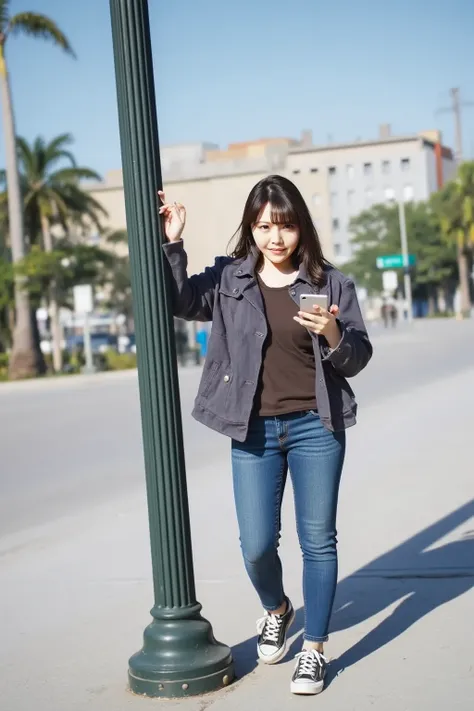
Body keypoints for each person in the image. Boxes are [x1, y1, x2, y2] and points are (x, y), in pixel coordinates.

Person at [158, 175, 373, 696]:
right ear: (251, 228)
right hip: (252, 429)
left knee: (318, 542)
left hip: (315, 427)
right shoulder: (230, 278)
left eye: (286, 226)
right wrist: (172, 243)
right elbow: (181, 302)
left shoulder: (331, 282)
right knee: (256, 545)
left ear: (301, 227)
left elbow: (359, 357)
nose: (275, 238)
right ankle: (277, 608)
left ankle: (315, 650)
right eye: (264, 226)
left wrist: (332, 333)